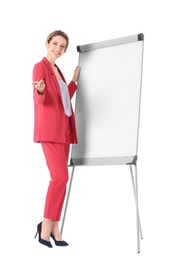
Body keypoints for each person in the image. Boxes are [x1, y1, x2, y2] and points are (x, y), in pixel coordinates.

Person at [32, 30, 80, 248]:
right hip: (50, 131)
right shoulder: (40, 67)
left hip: (64, 130)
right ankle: (45, 225)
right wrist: (40, 90)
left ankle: (55, 228)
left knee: (63, 179)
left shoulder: (58, 69)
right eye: (55, 44)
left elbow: (63, 99)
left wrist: (73, 82)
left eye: (62, 46)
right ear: (47, 43)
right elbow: (39, 96)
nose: (58, 49)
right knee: (59, 178)